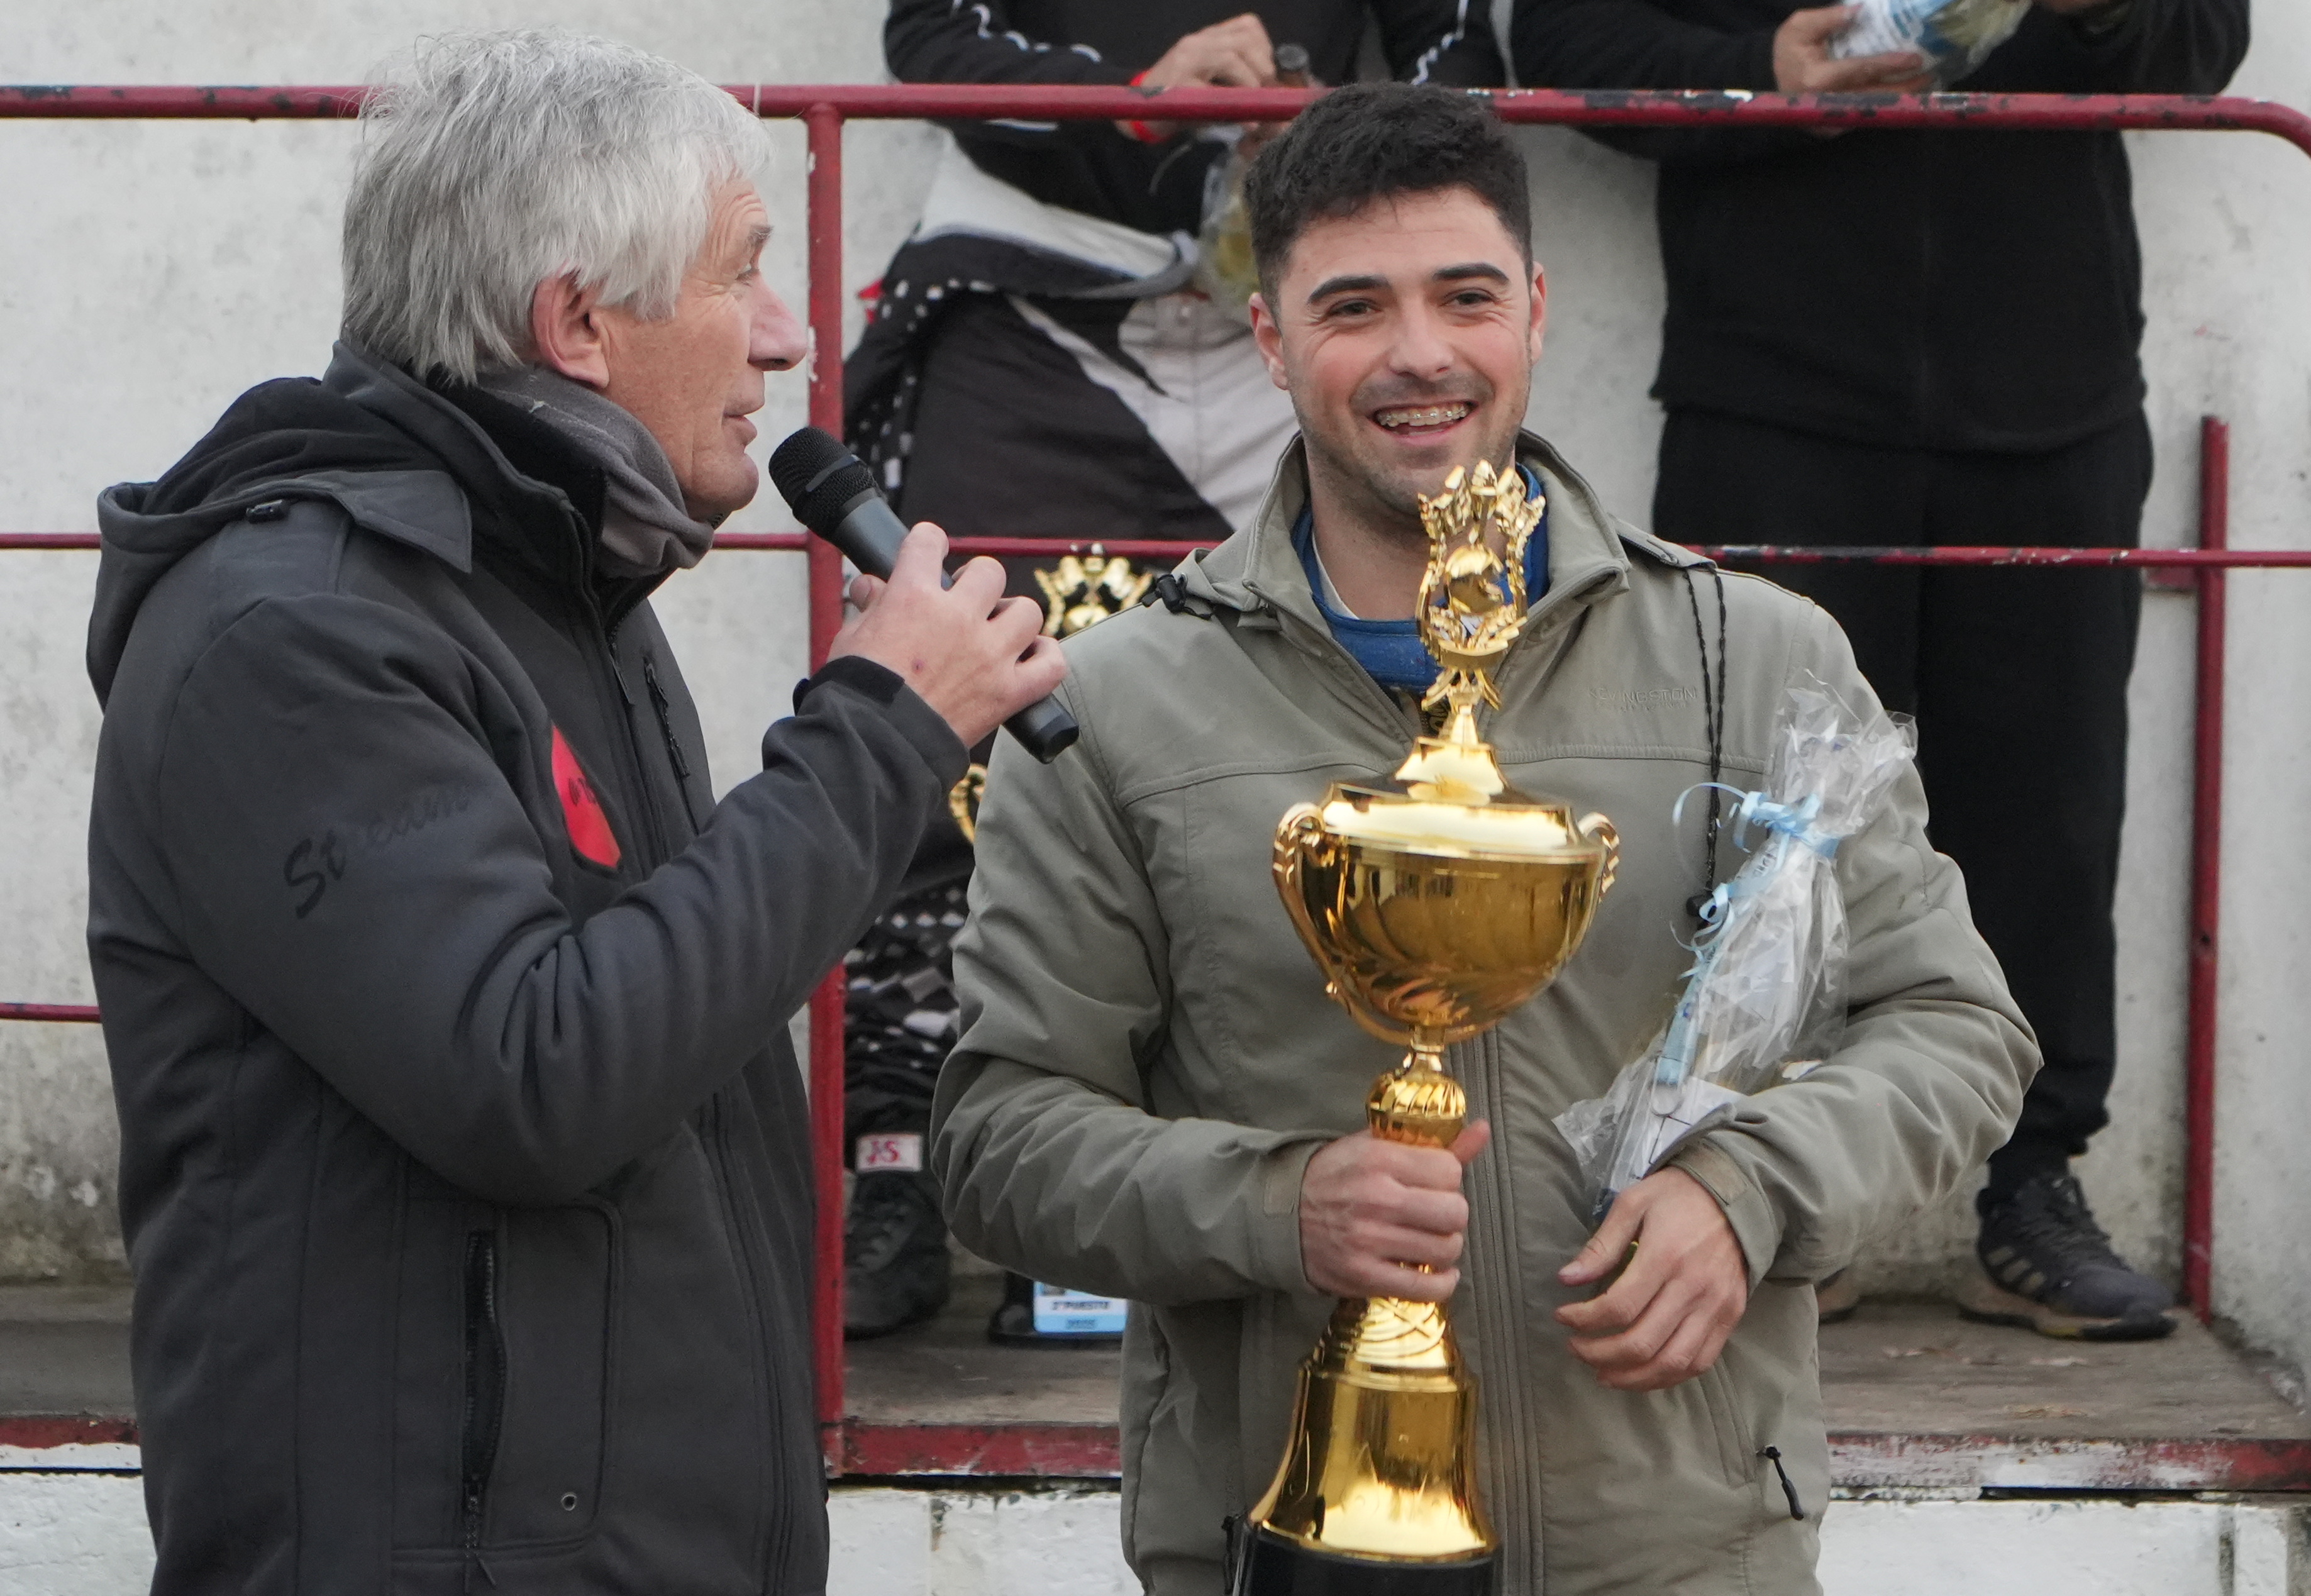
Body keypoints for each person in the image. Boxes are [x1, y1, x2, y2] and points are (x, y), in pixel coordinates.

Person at [935, 82, 2036, 1593]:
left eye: (1466, 296)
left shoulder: (1751, 656)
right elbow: (998, 1137)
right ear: (1270, 339)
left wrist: (1750, 1192)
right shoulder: (1111, 705)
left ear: (1537, 310)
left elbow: (1955, 1028)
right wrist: (1278, 1207)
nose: (1421, 354)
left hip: (1683, 1552)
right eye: (1353, 307)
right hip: (1287, 1548)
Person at [84, 30, 1062, 1593]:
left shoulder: (564, 590)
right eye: (744, 273)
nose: (791, 336)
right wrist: (881, 733)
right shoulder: (295, 633)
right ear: (580, 323)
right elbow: (536, 1077)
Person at [1507, 0, 2248, 1341]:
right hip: (1771, 395)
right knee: (1745, 822)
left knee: (2053, 809)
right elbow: (1561, 42)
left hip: (2053, 391)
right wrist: (1760, 73)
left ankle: (2029, 1186)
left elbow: (2205, 41)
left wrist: (2101, 17)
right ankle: (1742, 1187)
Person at [838, 2, 1509, 1339]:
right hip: (1031, 289)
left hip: (1301, 305)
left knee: (1308, 728)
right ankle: (893, 1163)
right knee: (952, 725)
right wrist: (1140, 94)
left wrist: (1327, 138)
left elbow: (1458, 56)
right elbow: (933, 38)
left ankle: (1305, 1162)